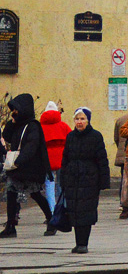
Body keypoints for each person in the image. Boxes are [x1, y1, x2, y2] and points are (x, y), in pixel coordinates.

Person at [58, 108, 110, 254]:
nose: (79, 122)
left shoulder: (95, 136)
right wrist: (63, 179)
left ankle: (83, 243)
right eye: (77, 119)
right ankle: (78, 243)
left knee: (85, 212)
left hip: (89, 179)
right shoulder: (70, 137)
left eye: (82, 119)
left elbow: (102, 160)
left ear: (88, 120)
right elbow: (65, 159)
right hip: (72, 179)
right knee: (74, 211)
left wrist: (103, 181)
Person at [2, 93, 51, 238]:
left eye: (16, 109)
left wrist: (19, 161)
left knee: (35, 193)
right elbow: (7, 137)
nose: (14, 112)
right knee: (11, 192)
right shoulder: (18, 125)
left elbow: (32, 145)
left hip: (30, 167)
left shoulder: (33, 126)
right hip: (19, 167)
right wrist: (11, 122)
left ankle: (51, 219)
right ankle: (11, 225)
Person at [38, 101, 70, 236]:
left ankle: (51, 210)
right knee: (62, 186)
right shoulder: (63, 125)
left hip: (47, 161)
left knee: (49, 185)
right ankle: (62, 209)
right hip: (62, 159)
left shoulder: (40, 127)